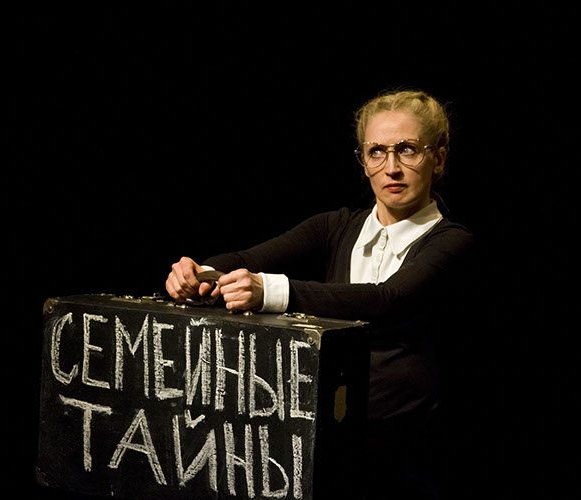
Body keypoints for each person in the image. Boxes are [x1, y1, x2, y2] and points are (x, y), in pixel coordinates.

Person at [165, 89, 478, 499]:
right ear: (363, 161)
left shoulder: (452, 241)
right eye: (377, 152)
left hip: (406, 454)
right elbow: (241, 258)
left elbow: (388, 299)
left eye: (408, 150)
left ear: (438, 158)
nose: (392, 168)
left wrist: (271, 290)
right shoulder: (335, 226)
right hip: (327, 438)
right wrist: (198, 274)